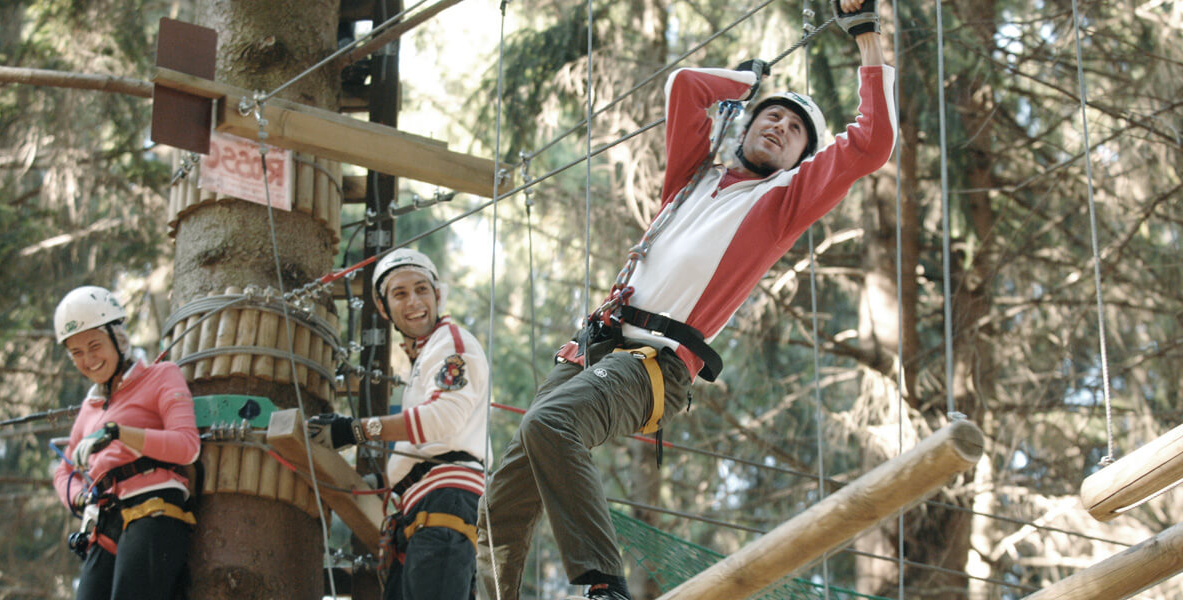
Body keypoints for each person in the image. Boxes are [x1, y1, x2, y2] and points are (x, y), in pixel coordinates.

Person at [476, 0, 896, 598]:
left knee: (551, 424)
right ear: (745, 126)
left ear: (801, 160)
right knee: (501, 505)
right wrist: (749, 80)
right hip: (589, 351)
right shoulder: (692, 180)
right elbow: (686, 87)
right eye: (769, 117)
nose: (778, 126)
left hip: (655, 365)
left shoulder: (781, 204)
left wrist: (866, 36)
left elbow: (872, 143)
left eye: (794, 129)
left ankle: (602, 587)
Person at [308, 248, 490, 600]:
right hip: (422, 508)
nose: (414, 302)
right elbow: (421, 446)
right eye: (400, 293)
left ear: (438, 295)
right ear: (383, 307)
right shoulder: (426, 357)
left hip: (446, 500)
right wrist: (382, 481)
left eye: (422, 290)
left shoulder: (450, 343)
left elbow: (443, 419)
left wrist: (354, 430)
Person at [51, 286, 201, 600]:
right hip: (105, 524)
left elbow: (187, 445)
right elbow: (62, 472)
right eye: (76, 353)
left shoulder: (161, 376)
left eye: (95, 346)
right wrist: (80, 498)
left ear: (118, 339)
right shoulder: (91, 406)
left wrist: (120, 433)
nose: (88, 360)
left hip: (153, 509)